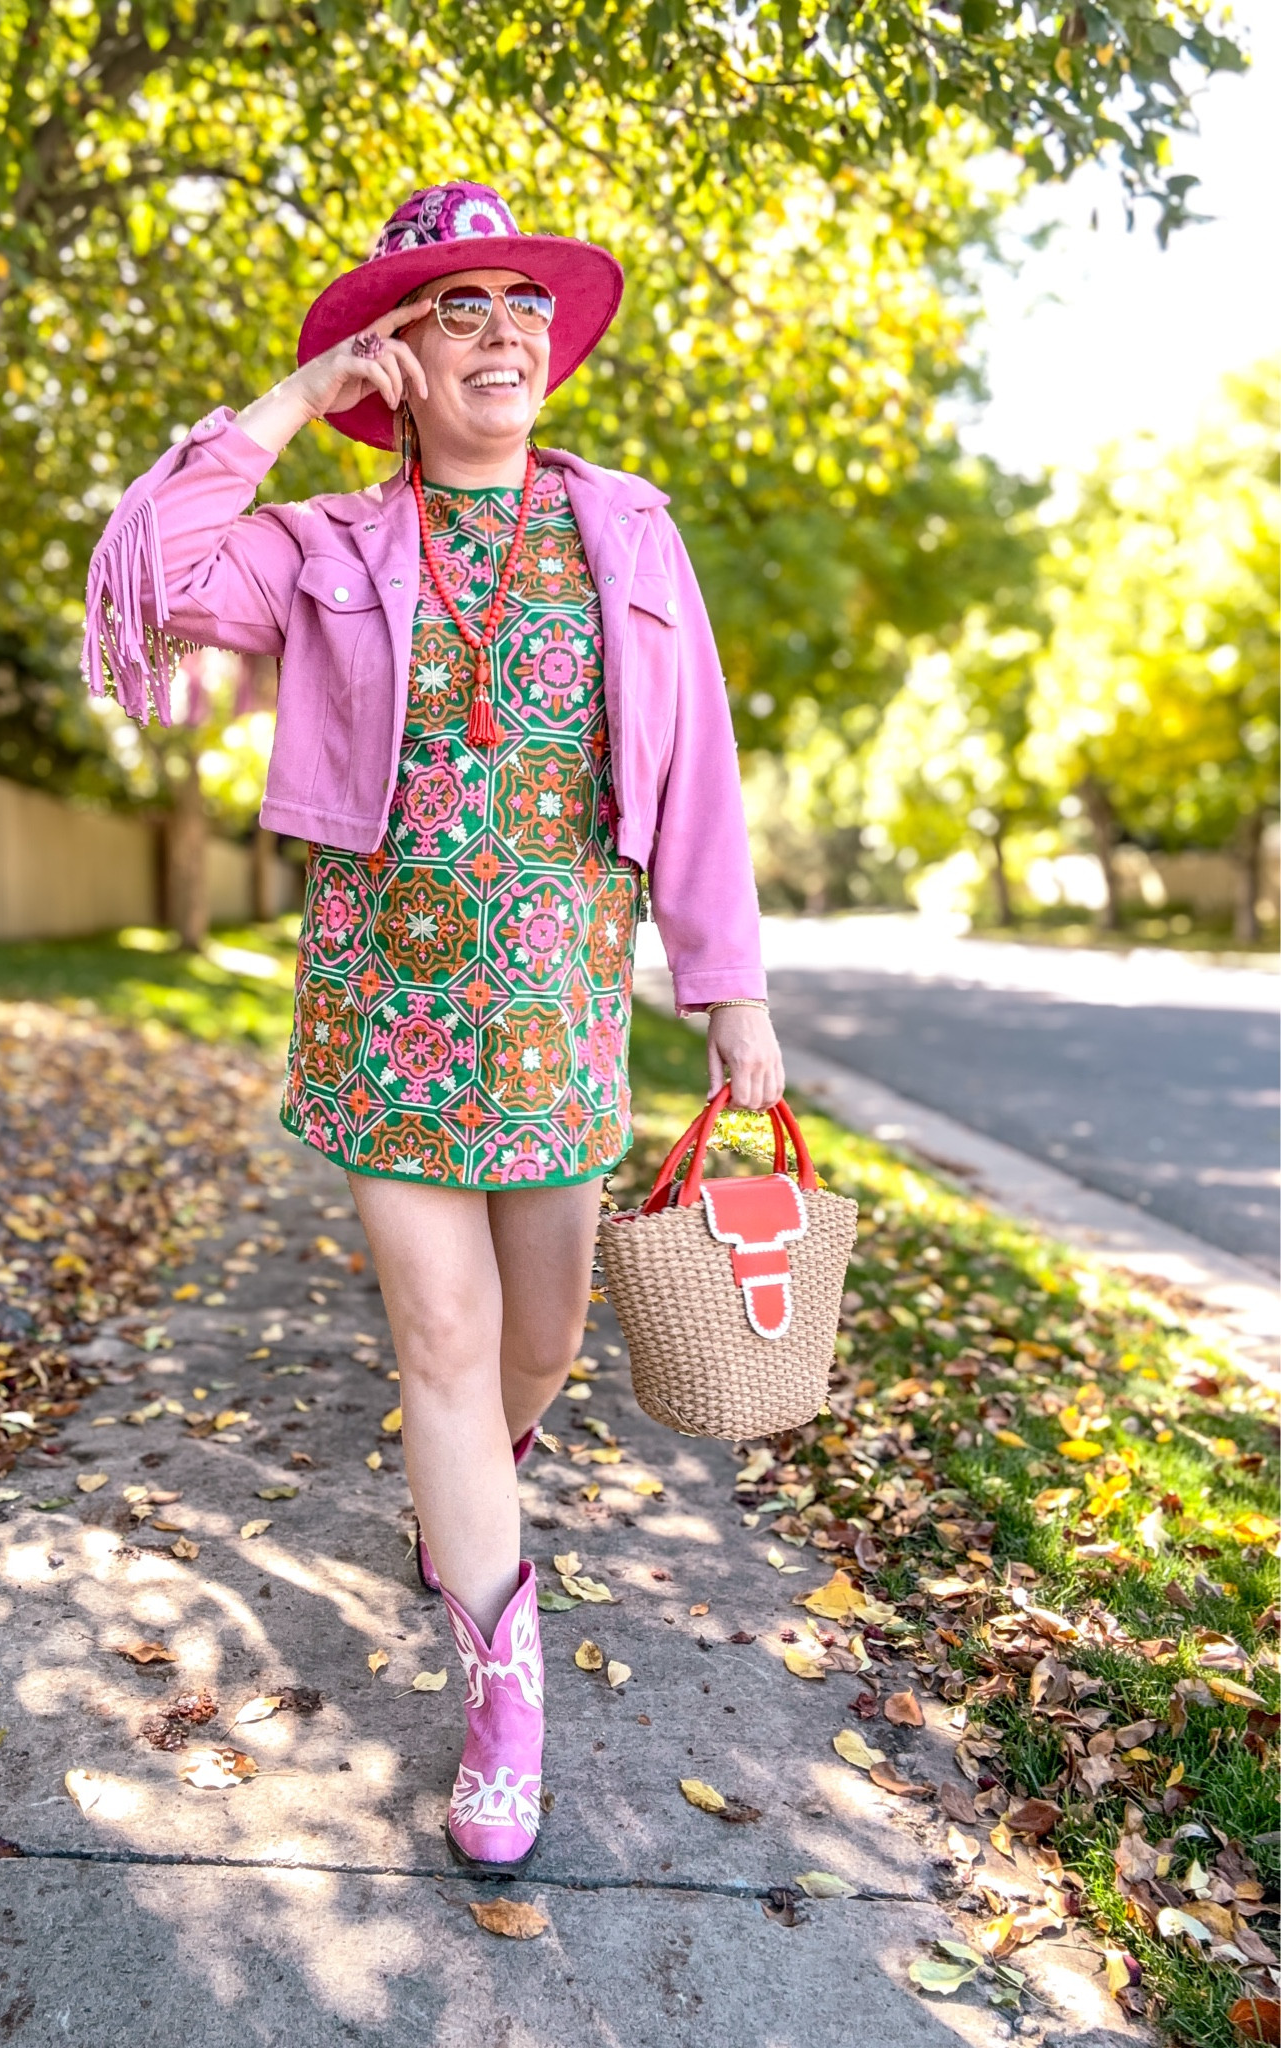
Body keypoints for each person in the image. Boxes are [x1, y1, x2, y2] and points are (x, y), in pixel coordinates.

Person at [84, 182, 783, 1875]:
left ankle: (476, 1478)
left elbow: (694, 775)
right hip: (381, 999)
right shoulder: (325, 542)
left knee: (534, 1344)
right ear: (400, 353)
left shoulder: (625, 532)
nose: (500, 334)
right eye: (454, 308)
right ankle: (502, 1696)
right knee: (442, 1348)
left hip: (555, 1011)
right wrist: (295, 399)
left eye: (519, 307)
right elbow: (149, 569)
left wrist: (730, 992)